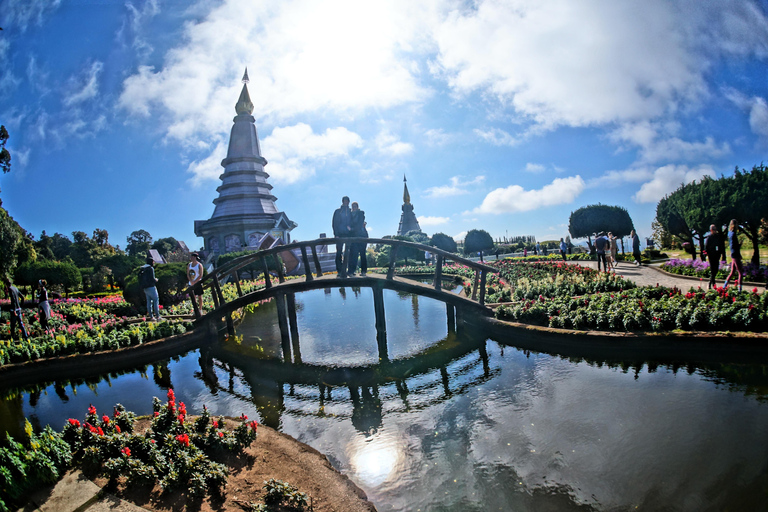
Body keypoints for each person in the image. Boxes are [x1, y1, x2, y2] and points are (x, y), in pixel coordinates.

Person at [332, 196, 353, 276]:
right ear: (342, 201)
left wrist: (351, 230)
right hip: (340, 235)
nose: (346, 202)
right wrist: (336, 234)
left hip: (348, 235)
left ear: (348, 202)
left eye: (347, 201)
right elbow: (334, 223)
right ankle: (339, 271)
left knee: (348, 253)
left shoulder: (351, 212)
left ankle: (348, 271)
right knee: (339, 253)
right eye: (344, 201)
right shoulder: (338, 211)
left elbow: (353, 223)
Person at [347, 201, 368, 276]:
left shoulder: (361, 213)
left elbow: (359, 224)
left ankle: (363, 271)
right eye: (353, 206)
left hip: (362, 235)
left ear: (357, 207)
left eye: (355, 206)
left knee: (362, 253)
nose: (354, 208)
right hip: (354, 236)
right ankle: (351, 271)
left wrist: (351, 229)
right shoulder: (350, 215)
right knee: (353, 254)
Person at [723, 219, 743, 291]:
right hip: (736, 255)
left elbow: (732, 245)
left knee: (732, 272)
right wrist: (739, 253)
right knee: (740, 272)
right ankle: (739, 289)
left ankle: (724, 286)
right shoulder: (734, 234)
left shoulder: (729, 233)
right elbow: (735, 246)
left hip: (732, 254)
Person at [704, 224, 724, 289]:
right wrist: (706, 253)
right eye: (713, 229)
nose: (715, 231)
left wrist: (721, 253)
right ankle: (712, 284)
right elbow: (706, 247)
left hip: (717, 254)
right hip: (711, 255)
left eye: (715, 229)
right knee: (713, 270)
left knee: (716, 270)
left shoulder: (718, 237)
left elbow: (721, 245)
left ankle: (711, 283)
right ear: (711, 230)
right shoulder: (709, 238)